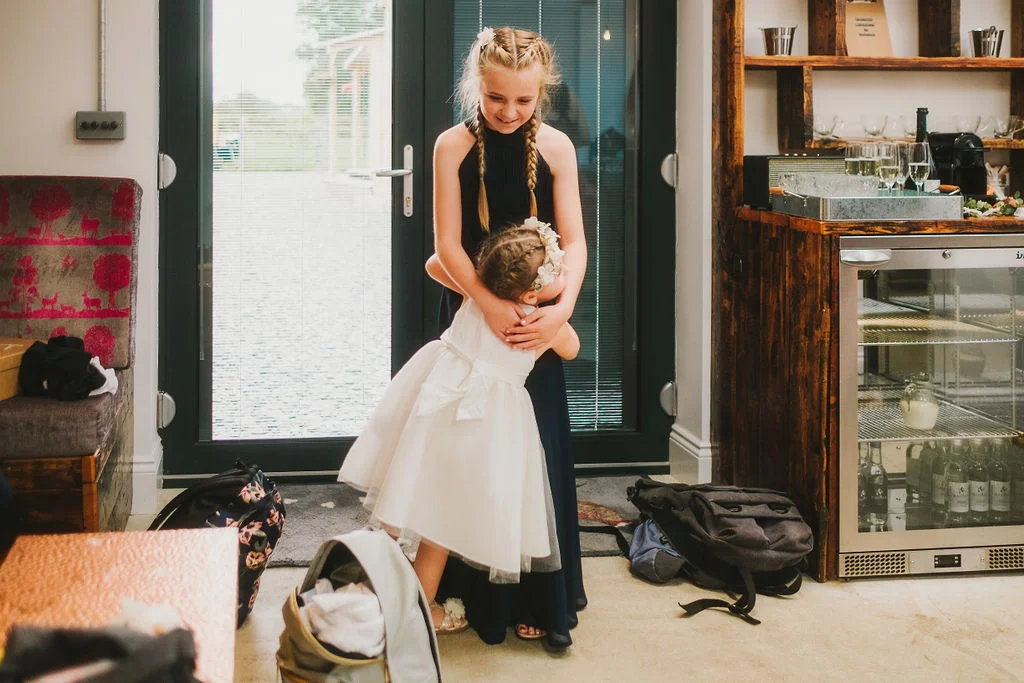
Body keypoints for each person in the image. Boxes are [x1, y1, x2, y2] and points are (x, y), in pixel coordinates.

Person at [339, 219, 580, 635]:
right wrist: (556, 315)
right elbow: (572, 348)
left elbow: (436, 262)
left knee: (397, 505)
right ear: (529, 294)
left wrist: (480, 286)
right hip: (480, 431)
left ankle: (369, 587)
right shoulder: (535, 322)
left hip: (432, 413)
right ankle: (416, 615)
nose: (564, 274)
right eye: (556, 272)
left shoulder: (477, 295)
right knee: (440, 533)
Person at [428, 26, 588, 649]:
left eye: (523, 100)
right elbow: (447, 245)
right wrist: (490, 306)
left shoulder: (556, 147)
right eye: (497, 98)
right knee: (471, 454)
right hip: (474, 310)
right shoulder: (451, 146)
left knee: (537, 451)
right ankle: (474, 592)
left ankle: (538, 597)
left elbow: (574, 242)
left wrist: (559, 312)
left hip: (537, 316)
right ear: (477, 86)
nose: (509, 111)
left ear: (540, 94)